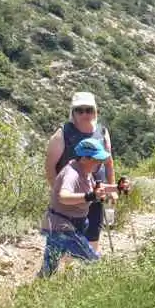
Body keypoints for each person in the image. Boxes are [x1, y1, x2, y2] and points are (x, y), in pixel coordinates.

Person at [44, 91, 116, 250]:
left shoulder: (102, 132)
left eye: (89, 110)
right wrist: (58, 194)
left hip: (96, 192)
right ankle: (64, 271)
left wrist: (113, 188)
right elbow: (50, 166)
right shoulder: (62, 134)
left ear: (95, 111)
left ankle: (88, 270)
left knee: (93, 234)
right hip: (72, 196)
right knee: (67, 238)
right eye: (80, 110)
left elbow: (109, 162)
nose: (85, 114)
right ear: (73, 112)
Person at [40, 136, 110, 277]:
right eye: (97, 160)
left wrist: (118, 188)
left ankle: (34, 293)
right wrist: (90, 196)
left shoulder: (85, 172)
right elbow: (63, 196)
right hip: (62, 227)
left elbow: (97, 188)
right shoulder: (72, 173)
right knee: (92, 260)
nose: (100, 163)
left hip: (60, 225)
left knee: (49, 269)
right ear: (85, 158)